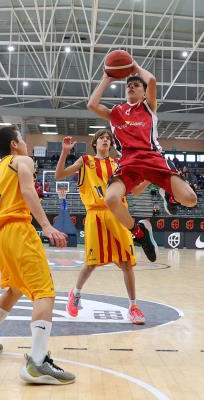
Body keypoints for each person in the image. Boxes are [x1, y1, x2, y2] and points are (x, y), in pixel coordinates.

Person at [0, 126, 75, 385]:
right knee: (44, 292)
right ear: (14, 145)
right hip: (16, 229)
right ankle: (38, 363)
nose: (25, 143)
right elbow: (28, 191)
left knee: (15, 288)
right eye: (22, 139)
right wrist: (47, 226)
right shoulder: (21, 160)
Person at [87, 59, 198, 262]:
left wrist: (134, 66)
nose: (131, 86)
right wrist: (106, 78)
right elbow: (92, 104)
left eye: (136, 85)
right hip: (128, 162)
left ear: (144, 93)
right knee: (111, 199)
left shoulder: (148, 106)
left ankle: (171, 197)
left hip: (152, 157)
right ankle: (140, 234)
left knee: (191, 200)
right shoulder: (116, 112)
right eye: (128, 85)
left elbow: (153, 80)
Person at [54, 131, 149, 325]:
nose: (106, 139)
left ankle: (133, 306)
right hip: (96, 214)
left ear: (111, 144)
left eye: (108, 138)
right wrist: (64, 152)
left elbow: (136, 190)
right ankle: (76, 294)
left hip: (119, 214)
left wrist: (150, 176)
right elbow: (58, 175)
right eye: (102, 137)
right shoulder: (85, 161)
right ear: (95, 142)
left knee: (126, 263)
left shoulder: (118, 165)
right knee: (91, 264)